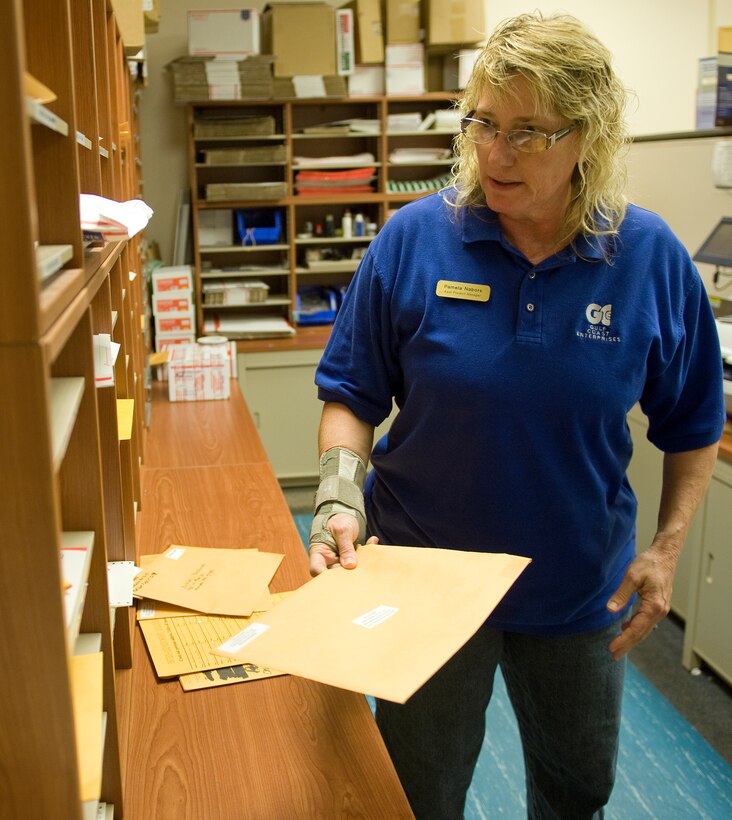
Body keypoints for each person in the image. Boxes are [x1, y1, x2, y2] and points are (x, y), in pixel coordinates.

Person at [309, 12, 726, 820]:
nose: (495, 155)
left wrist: (668, 550)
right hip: (423, 577)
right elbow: (352, 395)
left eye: (528, 133)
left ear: (589, 138)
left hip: (577, 591)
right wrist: (334, 498)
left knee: (576, 793)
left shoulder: (649, 258)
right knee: (418, 793)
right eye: (484, 126)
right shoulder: (413, 241)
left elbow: (694, 421)